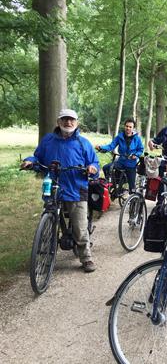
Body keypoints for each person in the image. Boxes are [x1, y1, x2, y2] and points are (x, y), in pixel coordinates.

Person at [21, 109, 99, 273]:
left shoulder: (83, 143)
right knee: (49, 219)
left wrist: (92, 168)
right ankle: (45, 255)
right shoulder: (48, 140)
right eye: (64, 119)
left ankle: (86, 257)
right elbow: (37, 157)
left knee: (79, 226)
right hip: (54, 186)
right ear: (58, 122)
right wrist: (29, 161)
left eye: (71, 120)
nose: (68, 123)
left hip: (76, 188)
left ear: (76, 123)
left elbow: (94, 163)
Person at [96, 118, 144, 192]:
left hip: (131, 164)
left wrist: (136, 155)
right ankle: (113, 185)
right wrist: (100, 147)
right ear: (124, 126)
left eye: (130, 127)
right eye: (127, 126)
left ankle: (132, 199)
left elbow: (140, 149)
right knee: (106, 168)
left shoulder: (137, 138)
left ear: (133, 128)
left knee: (132, 188)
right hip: (121, 162)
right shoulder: (120, 136)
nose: (128, 128)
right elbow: (111, 146)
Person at [148, 111, 167, 178]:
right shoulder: (165, 131)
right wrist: (151, 142)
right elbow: (156, 140)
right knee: (162, 181)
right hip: (166, 160)